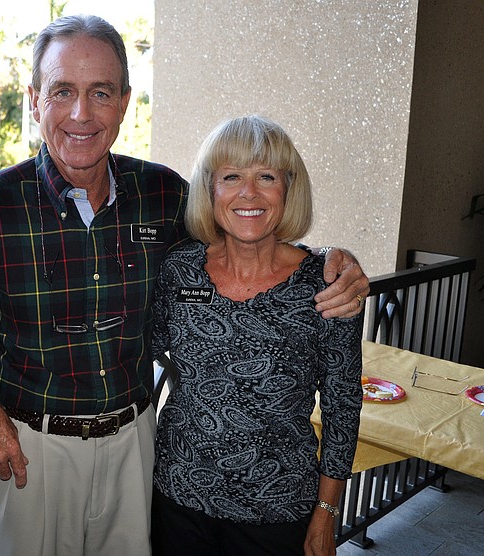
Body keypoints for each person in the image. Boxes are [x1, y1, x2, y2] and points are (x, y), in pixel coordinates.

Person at [0, 14, 368, 556]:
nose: (82, 113)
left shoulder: (163, 196)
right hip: (31, 449)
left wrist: (333, 258)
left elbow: (244, 231)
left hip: (136, 446)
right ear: (35, 100)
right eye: (63, 92)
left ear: (124, 102)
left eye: (100, 92)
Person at [149, 115, 363, 556]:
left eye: (266, 176)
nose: (249, 193)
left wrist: (327, 511)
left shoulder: (327, 284)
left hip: (278, 507)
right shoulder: (179, 270)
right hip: (179, 496)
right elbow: (134, 351)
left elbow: (343, 405)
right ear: (210, 190)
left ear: (289, 188)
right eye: (231, 177)